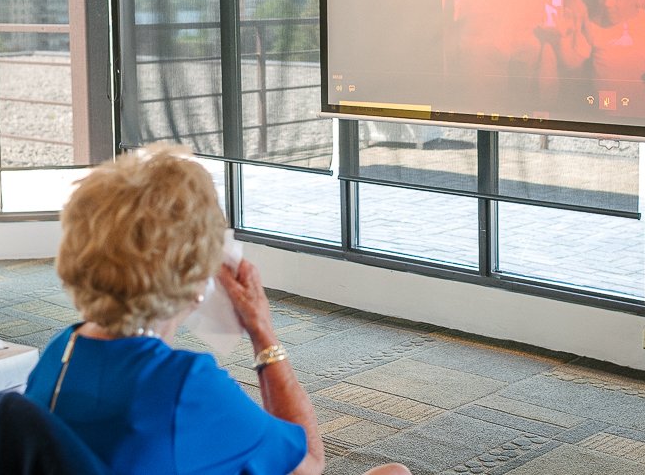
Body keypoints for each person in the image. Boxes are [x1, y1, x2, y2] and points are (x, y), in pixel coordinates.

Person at [23, 146, 411, 475]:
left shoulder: (59, 353)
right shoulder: (184, 386)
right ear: (195, 280)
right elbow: (308, 462)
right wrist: (263, 331)